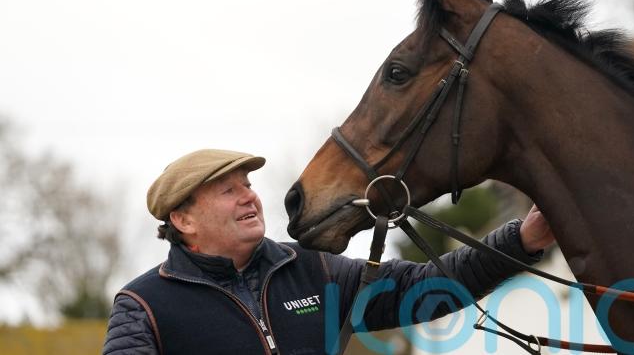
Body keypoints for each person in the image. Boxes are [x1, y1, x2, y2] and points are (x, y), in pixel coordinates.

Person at [103, 149, 554, 355]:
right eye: (228, 191)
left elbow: (426, 285)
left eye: (248, 185)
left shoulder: (313, 267)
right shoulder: (143, 305)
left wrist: (523, 239)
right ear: (183, 219)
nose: (249, 197)